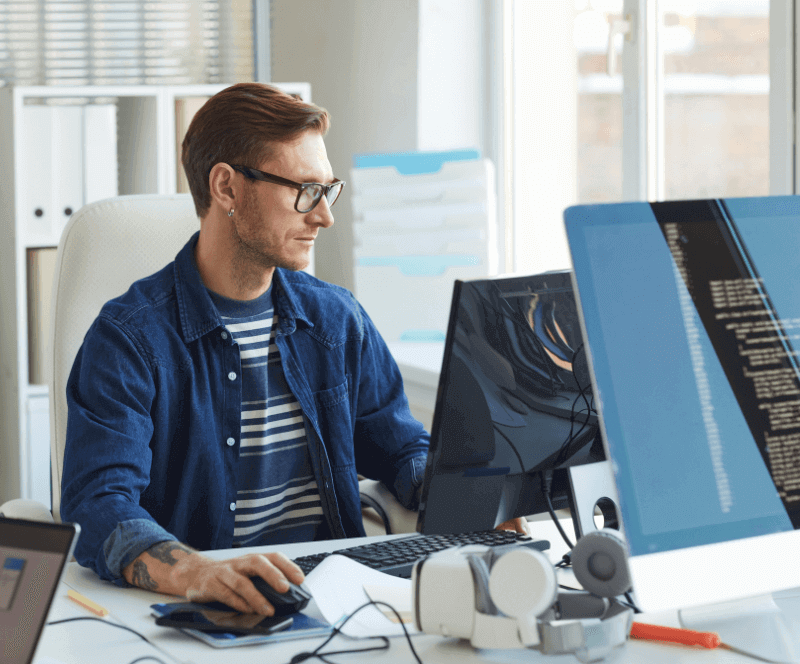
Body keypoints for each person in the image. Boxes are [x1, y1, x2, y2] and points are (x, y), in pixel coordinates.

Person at [60, 82, 526, 616]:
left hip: (340, 598)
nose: (324, 216)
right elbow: (99, 505)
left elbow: (399, 448)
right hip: (204, 609)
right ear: (227, 188)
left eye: (329, 191)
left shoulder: (336, 320)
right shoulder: (130, 339)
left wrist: (470, 497)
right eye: (305, 190)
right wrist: (195, 569)